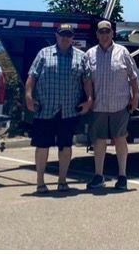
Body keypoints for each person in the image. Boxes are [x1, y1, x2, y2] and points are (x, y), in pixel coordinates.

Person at [24, 23, 93, 194]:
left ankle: (62, 181)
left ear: (72, 38)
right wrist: (28, 96)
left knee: (66, 146)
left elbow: (86, 81)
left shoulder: (81, 57)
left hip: (69, 110)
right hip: (45, 109)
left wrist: (90, 100)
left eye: (68, 35)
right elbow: (32, 77)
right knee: (42, 146)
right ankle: (40, 182)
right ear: (56, 36)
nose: (65, 37)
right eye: (62, 34)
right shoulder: (44, 54)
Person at [84, 19, 139, 191]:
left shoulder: (123, 52)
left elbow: (133, 77)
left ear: (112, 33)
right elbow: (87, 79)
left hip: (119, 104)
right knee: (99, 141)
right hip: (99, 105)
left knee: (120, 140)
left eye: (107, 31)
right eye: (101, 32)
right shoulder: (90, 54)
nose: (105, 35)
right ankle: (98, 175)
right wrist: (89, 98)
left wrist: (135, 97)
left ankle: (122, 176)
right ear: (97, 35)